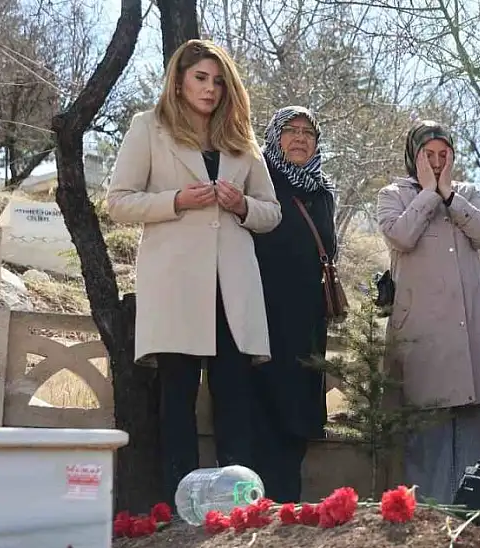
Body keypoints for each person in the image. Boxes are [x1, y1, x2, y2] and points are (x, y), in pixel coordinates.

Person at [106, 39, 281, 501]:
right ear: (179, 80)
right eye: (200, 78)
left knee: (234, 398)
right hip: (176, 283)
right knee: (177, 399)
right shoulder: (149, 128)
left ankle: (239, 504)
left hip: (232, 286)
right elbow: (118, 201)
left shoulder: (241, 139)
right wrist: (177, 201)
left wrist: (241, 204)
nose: (210, 89)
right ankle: (177, 506)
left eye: (219, 81)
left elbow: (272, 213)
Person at [375, 120, 480, 503]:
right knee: (428, 438)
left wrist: (450, 197)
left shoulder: (467, 193)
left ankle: (479, 517)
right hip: (423, 334)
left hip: (475, 331)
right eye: (429, 155)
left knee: (479, 428)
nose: (437, 162)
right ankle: (428, 521)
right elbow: (401, 236)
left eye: (444, 155)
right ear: (414, 156)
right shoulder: (393, 194)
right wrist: (427, 194)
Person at [249, 106, 337, 503]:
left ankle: (287, 506)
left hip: (306, 320)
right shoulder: (259, 181)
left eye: (308, 132)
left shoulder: (322, 193)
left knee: (297, 415)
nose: (300, 138)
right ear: (274, 137)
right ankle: (255, 504)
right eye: (290, 130)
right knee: (261, 410)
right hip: (261, 313)